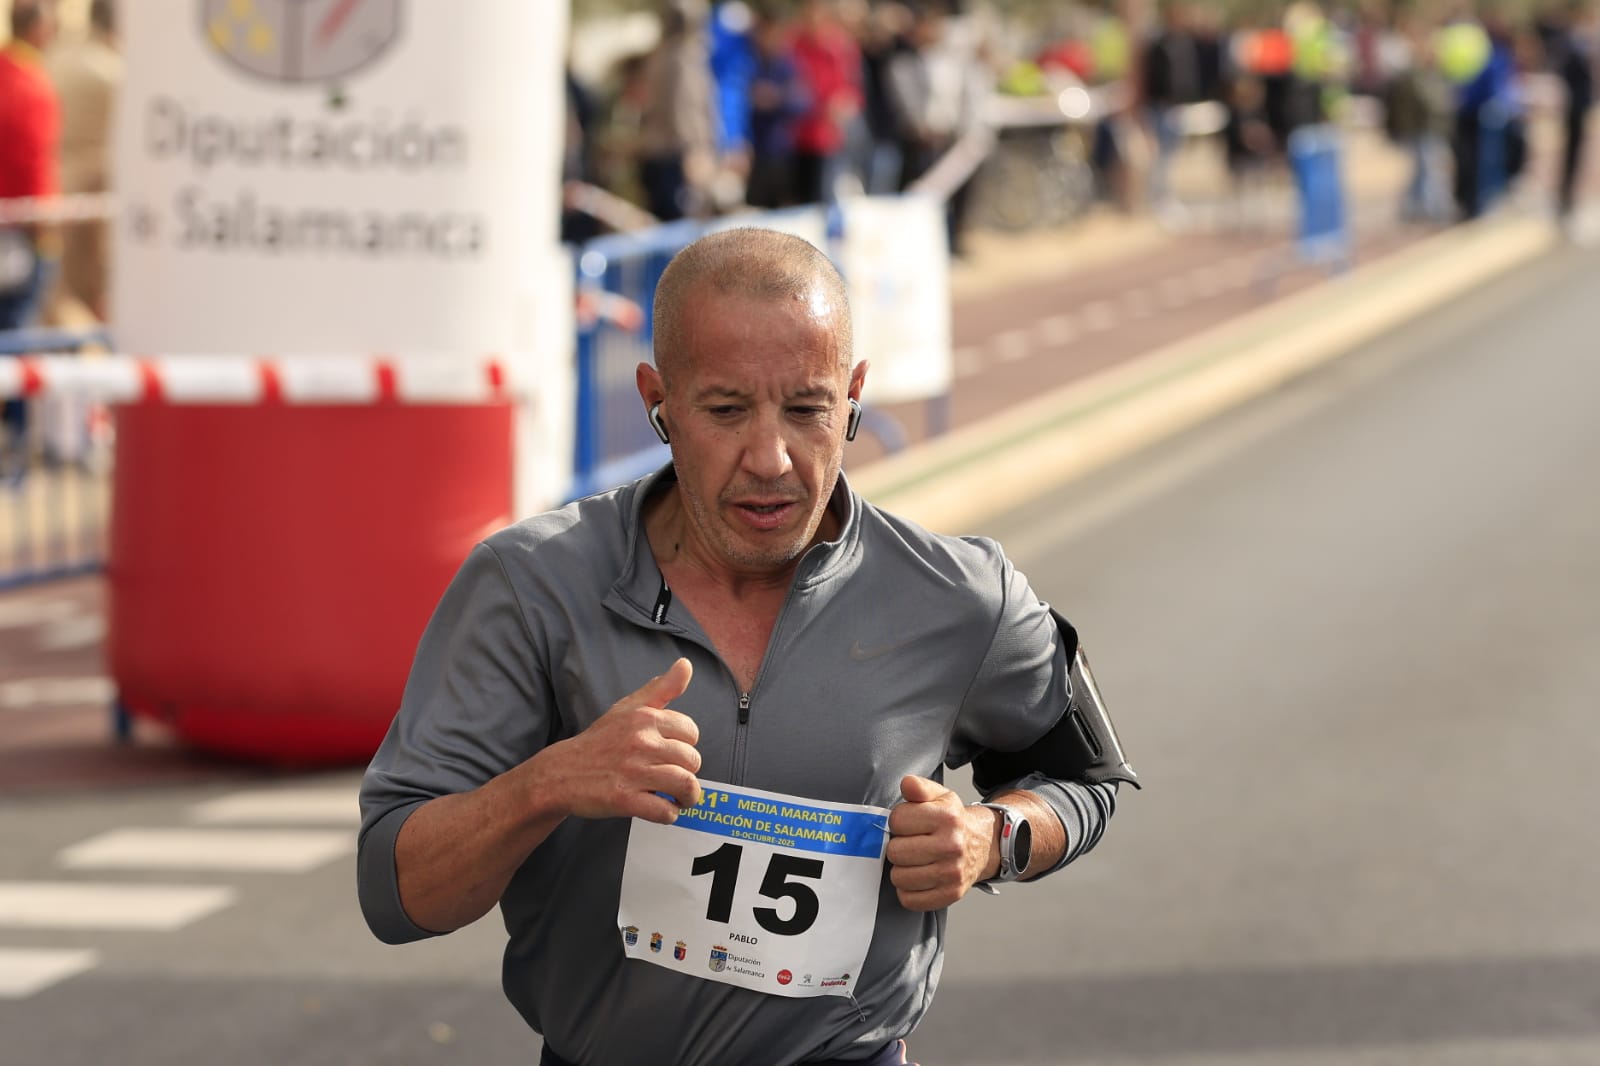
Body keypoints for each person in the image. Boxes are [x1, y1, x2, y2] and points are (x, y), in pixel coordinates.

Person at [357, 227, 1138, 1066]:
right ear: (659, 400)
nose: (770, 459)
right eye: (726, 410)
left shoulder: (959, 595)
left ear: (853, 395)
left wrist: (996, 838)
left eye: (807, 408)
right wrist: (546, 784)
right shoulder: (530, 585)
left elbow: (1086, 779)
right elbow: (396, 895)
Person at [0, 0, 62, 450]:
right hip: (19, 230)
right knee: (18, 331)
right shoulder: (32, 85)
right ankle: (17, 442)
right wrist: (46, 229)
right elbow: (34, 163)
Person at [45, 0, 119, 321]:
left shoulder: (56, 56)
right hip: (92, 193)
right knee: (91, 283)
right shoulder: (113, 72)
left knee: (57, 286)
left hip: (51, 182)